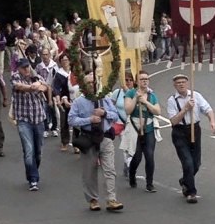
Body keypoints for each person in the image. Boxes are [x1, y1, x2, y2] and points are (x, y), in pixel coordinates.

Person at [68, 73, 123, 212]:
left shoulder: (104, 98)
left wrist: (105, 114)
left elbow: (115, 115)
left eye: (94, 82)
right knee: (89, 172)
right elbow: (71, 120)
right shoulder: (79, 101)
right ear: (84, 85)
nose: (92, 85)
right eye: (89, 83)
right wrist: (89, 120)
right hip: (89, 138)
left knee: (110, 169)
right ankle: (93, 199)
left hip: (105, 137)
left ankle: (111, 199)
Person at [167, 73, 215, 204]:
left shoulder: (196, 96)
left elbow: (208, 109)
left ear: (187, 83)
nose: (181, 84)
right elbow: (173, 121)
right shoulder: (172, 100)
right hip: (180, 132)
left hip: (195, 130)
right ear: (175, 85)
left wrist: (212, 122)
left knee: (196, 164)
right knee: (187, 162)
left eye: (183, 82)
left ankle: (185, 180)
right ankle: (191, 192)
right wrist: (185, 109)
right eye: (178, 83)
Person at [11, 57, 48, 191]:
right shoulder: (15, 77)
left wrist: (39, 85)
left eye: (27, 67)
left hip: (38, 118)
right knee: (29, 150)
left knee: (38, 152)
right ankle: (33, 179)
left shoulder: (35, 76)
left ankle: (32, 171)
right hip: (24, 120)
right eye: (23, 67)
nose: (26, 69)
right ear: (19, 68)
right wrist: (32, 87)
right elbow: (18, 86)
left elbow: (45, 86)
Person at [124, 70, 161, 192]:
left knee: (149, 156)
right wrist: (136, 98)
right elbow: (128, 110)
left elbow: (157, 111)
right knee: (137, 156)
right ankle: (132, 174)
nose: (144, 81)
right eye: (142, 79)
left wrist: (145, 102)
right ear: (137, 81)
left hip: (148, 128)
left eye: (146, 79)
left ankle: (149, 183)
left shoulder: (152, 95)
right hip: (135, 128)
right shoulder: (130, 93)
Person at [53, 53, 80, 152]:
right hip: (64, 99)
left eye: (67, 60)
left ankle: (76, 144)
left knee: (77, 122)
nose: (65, 62)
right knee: (64, 122)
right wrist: (58, 98)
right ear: (60, 62)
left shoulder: (75, 73)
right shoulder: (59, 74)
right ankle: (64, 142)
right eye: (63, 60)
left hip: (76, 100)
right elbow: (56, 87)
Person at [112, 73, 135, 176]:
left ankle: (129, 163)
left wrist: (128, 91)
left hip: (133, 124)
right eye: (126, 80)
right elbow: (111, 105)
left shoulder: (135, 93)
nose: (128, 82)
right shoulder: (117, 93)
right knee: (125, 146)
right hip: (120, 123)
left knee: (133, 147)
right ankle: (128, 164)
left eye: (130, 80)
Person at [36, 48, 58, 138]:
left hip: (52, 90)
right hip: (43, 90)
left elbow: (56, 77)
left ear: (49, 55)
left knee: (53, 109)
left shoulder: (54, 65)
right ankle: (45, 128)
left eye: (46, 54)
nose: (45, 56)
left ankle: (54, 128)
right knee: (44, 109)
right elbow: (36, 77)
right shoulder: (39, 66)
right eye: (43, 55)